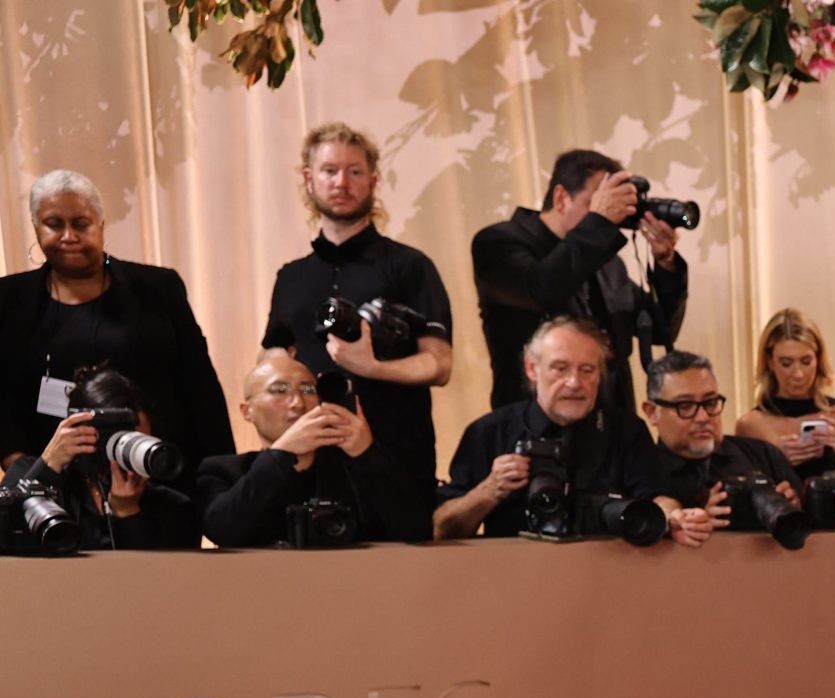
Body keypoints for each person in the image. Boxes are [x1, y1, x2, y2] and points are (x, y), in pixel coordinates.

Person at [260, 123, 455, 503]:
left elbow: (440, 364)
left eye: (354, 172)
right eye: (330, 171)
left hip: (395, 454)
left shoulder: (410, 266)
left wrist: (373, 369)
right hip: (310, 459)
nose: (341, 183)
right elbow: (273, 356)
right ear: (309, 178)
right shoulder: (291, 276)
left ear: (373, 180)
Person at [0, 171, 231, 473]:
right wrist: (24, 469)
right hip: (57, 482)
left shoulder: (157, 287)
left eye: (81, 223)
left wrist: (221, 477)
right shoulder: (9, 299)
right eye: (54, 224)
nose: (69, 236)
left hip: (156, 471)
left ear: (101, 224)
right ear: (36, 226)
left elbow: (201, 388)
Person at [470, 149, 687, 414]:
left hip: (612, 424)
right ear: (561, 198)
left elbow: (659, 330)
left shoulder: (606, 262)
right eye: (597, 203)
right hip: (535, 424)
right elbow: (542, 289)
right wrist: (599, 223)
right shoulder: (499, 243)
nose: (610, 216)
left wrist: (665, 263)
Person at [436, 316, 664, 541]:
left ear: (600, 375)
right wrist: (488, 490)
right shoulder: (489, 432)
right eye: (560, 368)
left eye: (587, 370)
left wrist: (677, 516)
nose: (574, 383)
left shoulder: (626, 431)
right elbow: (441, 529)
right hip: (512, 570)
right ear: (531, 368)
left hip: (606, 569)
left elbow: (659, 500)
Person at [194, 350, 431, 547]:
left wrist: (366, 453)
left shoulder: (353, 464)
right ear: (247, 411)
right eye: (280, 390)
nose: (298, 403)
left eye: (308, 390)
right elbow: (221, 531)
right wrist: (281, 455)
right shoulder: (223, 470)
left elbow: (416, 530)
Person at [2, 368, 202, 551]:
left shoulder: (173, 508)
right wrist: (47, 467)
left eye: (140, 439)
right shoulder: (32, 475)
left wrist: (128, 514)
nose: (131, 450)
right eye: (122, 437)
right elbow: (9, 538)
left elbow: (160, 581)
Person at [640, 350, 797, 545]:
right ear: (652, 412)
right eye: (685, 405)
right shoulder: (641, 473)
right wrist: (697, 524)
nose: (703, 417)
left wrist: (792, 511)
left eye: (710, 402)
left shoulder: (763, 456)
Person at [729, 308, 835, 479]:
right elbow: (750, 496)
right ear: (770, 362)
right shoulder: (751, 425)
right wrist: (777, 462)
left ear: (818, 359)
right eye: (786, 363)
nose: (798, 374)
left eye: (806, 362)